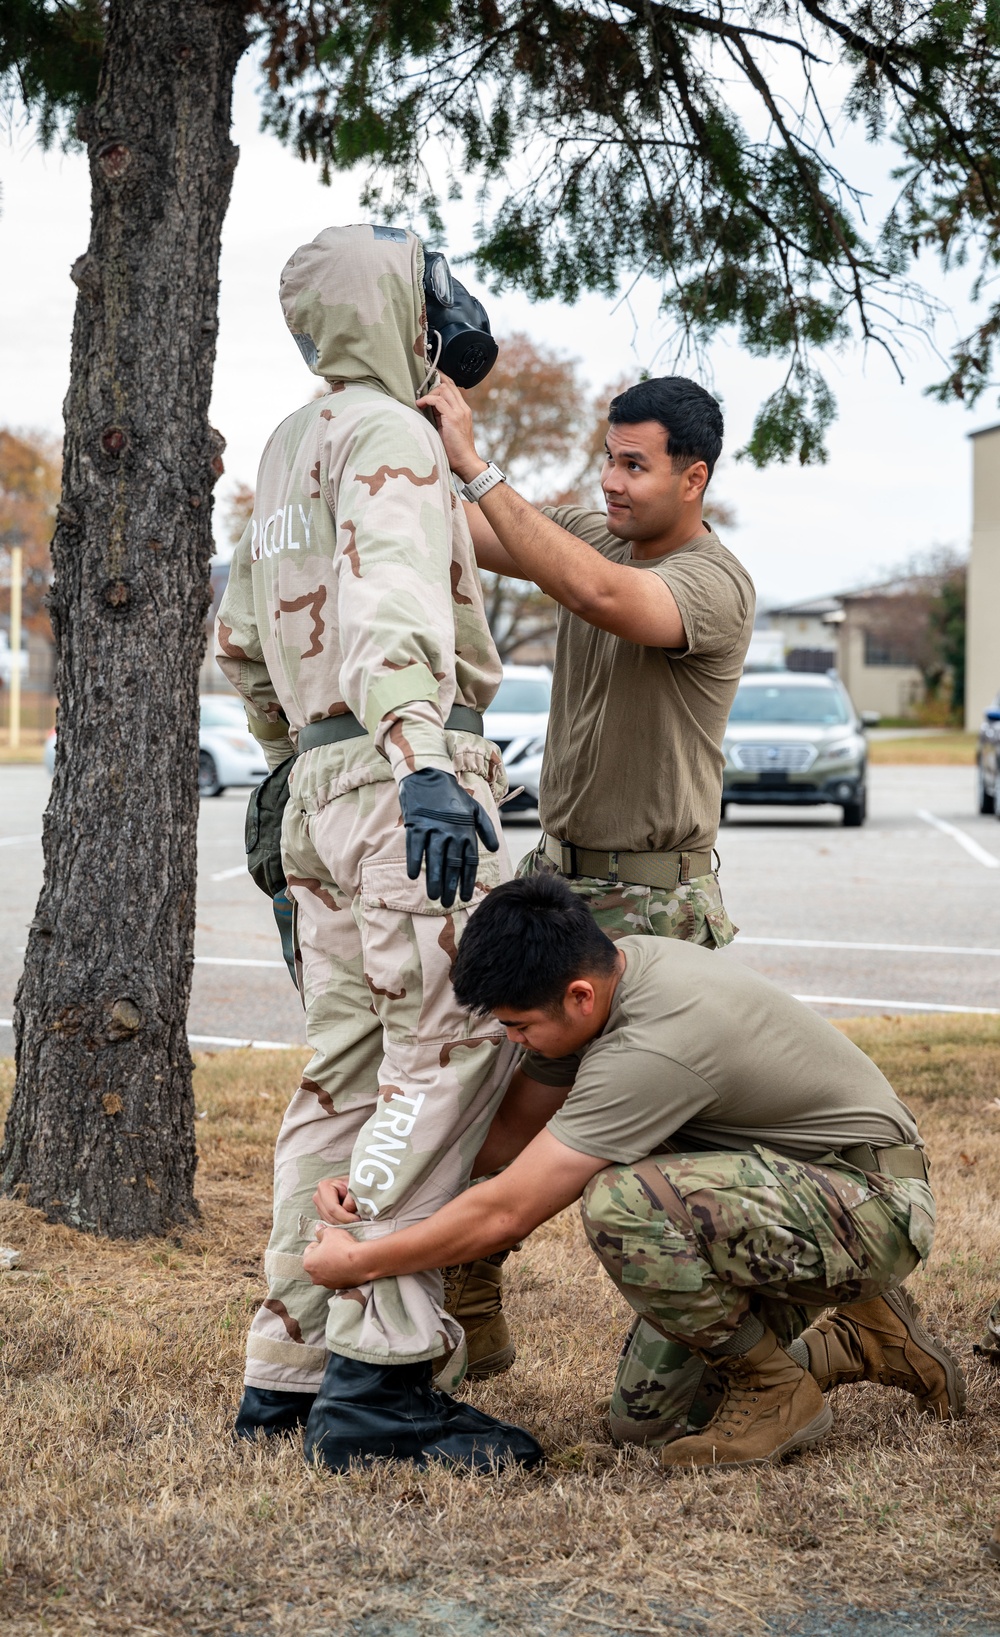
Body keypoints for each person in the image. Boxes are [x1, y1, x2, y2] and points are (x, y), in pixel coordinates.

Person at [215, 223, 542, 1473]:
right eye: (428, 286)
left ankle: (287, 1370)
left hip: (318, 779)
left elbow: (245, 641)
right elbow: (397, 592)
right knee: (449, 1055)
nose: (449, 307)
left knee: (340, 1080)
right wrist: (416, 763)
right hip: (411, 775)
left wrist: (306, 759)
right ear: (391, 307)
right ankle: (383, 1383)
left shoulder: (291, 443)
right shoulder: (395, 435)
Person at [303, 876, 965, 1469]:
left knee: (621, 1201)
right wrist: (373, 1184)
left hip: (872, 1208)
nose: (512, 1040)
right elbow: (499, 1141)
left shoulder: (651, 1044)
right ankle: (866, 1335)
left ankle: (774, 1388)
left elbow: (510, 1207)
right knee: (645, 1425)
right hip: (789, 1193)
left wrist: (364, 1262)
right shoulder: (604, 985)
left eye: (518, 1025)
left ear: (578, 996)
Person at [413, 371, 756, 1383]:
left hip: (653, 902)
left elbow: (598, 594)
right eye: (605, 457)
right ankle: (471, 1283)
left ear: (693, 477)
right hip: (557, 875)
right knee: (510, 1091)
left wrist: (479, 464)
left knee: (639, 1129)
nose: (610, 481)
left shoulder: (712, 582)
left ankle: (744, 1328)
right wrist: (399, 430)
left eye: (634, 464)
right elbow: (471, 533)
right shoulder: (593, 533)